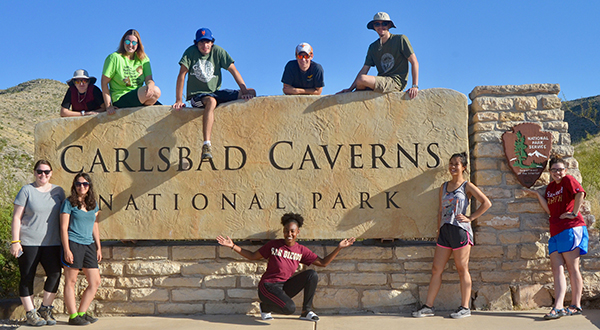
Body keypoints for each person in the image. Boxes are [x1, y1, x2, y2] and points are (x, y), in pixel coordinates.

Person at [217, 213, 355, 322]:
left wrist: (339, 248)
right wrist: (233, 246)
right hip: (268, 287)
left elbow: (323, 263)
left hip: (284, 287)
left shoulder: (301, 250)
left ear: (298, 232)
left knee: (311, 274)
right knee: (289, 309)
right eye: (286, 231)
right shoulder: (274, 245)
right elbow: (253, 256)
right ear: (283, 231)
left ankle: (306, 311)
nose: (289, 234)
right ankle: (265, 307)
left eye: (292, 231)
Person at [412, 152, 491, 319]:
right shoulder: (444, 186)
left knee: (462, 269)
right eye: (451, 164)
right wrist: (438, 230)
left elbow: (486, 203)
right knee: (436, 269)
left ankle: (465, 307)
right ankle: (428, 307)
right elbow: (440, 211)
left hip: (460, 231)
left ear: (464, 167)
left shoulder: (467, 186)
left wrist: (470, 217)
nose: (453, 167)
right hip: (445, 231)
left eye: (457, 164)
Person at [172, 28, 256, 160]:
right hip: (197, 95)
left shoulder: (218, 51)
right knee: (211, 102)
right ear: (196, 43)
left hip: (214, 92)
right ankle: (206, 144)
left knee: (252, 92)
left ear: (212, 42)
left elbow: (233, 70)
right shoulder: (190, 52)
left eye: (207, 42)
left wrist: (244, 92)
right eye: (201, 43)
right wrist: (178, 99)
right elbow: (182, 75)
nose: (204, 46)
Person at [526, 156, 588, 319]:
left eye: (560, 169)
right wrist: (537, 195)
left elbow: (580, 193)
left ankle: (576, 305)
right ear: (550, 171)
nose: (557, 173)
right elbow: (549, 210)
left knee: (572, 268)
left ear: (565, 170)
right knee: (556, 268)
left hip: (570, 228)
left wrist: (573, 213)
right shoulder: (550, 188)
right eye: (554, 170)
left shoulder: (568, 180)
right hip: (555, 231)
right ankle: (558, 306)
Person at [11, 160, 65, 326]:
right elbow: (16, 217)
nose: (43, 175)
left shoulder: (58, 191)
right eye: (40, 172)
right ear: (34, 172)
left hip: (52, 243)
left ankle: (45, 308)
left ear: (51, 173)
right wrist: (15, 241)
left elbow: (65, 216)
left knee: (55, 274)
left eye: (46, 172)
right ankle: (30, 313)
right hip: (28, 242)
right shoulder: (27, 190)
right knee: (27, 277)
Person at [338, 12, 419, 99]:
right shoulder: (373, 47)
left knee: (362, 80)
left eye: (384, 24)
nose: (381, 27)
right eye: (377, 24)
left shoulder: (400, 39)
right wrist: (350, 89)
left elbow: (414, 62)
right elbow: (364, 69)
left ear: (389, 25)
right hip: (381, 81)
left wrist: (415, 86)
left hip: (395, 82)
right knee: (360, 84)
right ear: (374, 27)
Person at [60, 173, 101, 326]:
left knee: (95, 281)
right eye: (78, 184)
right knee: (71, 281)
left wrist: (98, 247)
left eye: (85, 184)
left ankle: (82, 312)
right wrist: (66, 249)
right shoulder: (69, 203)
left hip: (89, 244)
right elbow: (63, 228)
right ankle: (73, 315)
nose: (81, 186)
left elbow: (95, 225)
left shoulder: (93, 204)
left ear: (89, 186)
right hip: (73, 243)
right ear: (74, 186)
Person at [101, 29, 161, 115]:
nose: (130, 45)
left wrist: (150, 85)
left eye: (134, 42)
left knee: (162, 108)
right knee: (156, 91)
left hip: (139, 96)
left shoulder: (143, 59)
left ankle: (142, 109)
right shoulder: (114, 58)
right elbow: (104, 82)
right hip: (121, 97)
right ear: (123, 42)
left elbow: (149, 79)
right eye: (128, 41)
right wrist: (108, 105)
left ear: (138, 44)